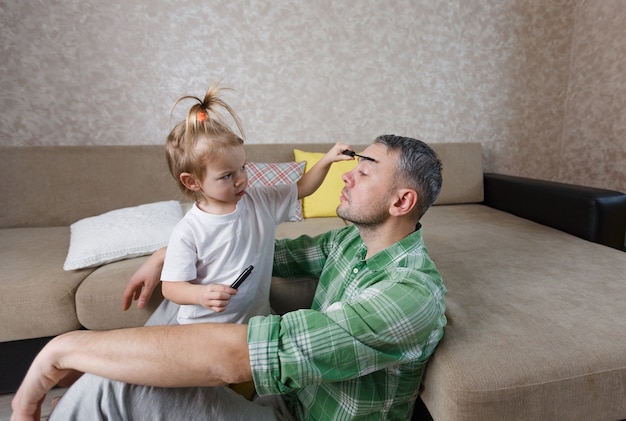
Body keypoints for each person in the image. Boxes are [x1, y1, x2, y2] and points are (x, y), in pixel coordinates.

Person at [11, 135, 447, 421]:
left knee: (111, 389)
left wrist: (64, 348)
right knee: (175, 307)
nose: (346, 173)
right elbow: (254, 250)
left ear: (401, 200)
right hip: (281, 399)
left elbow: (241, 357)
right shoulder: (351, 244)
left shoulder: (408, 297)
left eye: (364, 170)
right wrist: (170, 254)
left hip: (292, 416)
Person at [156, 83, 350, 327]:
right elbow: (171, 288)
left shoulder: (260, 200)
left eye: (243, 167)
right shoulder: (189, 230)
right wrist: (200, 295)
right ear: (192, 182)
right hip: (204, 329)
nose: (241, 179)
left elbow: (302, 188)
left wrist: (328, 159)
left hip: (255, 325)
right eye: (227, 175)